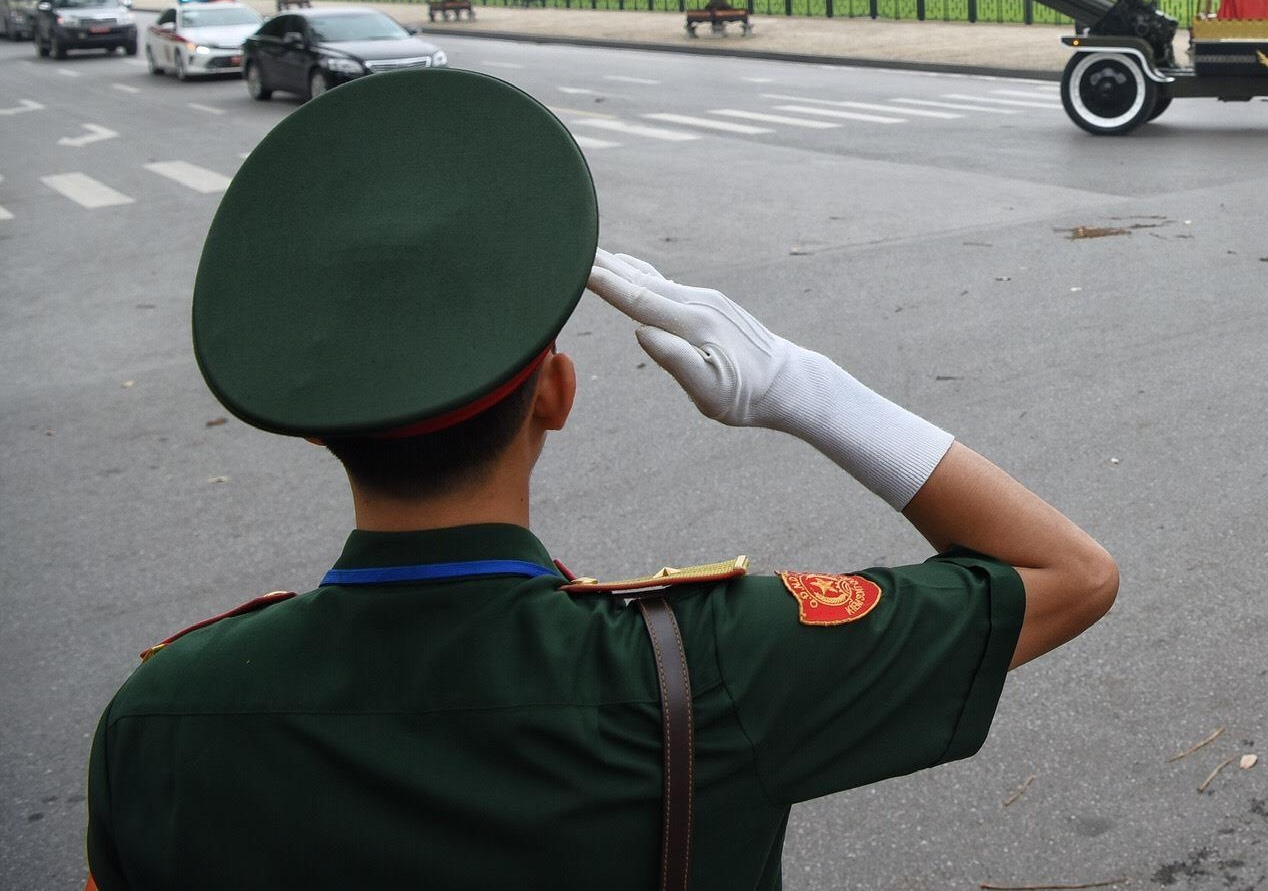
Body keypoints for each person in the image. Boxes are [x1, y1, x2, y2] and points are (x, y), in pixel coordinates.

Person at [84, 69, 1116, 890]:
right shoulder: (713, 667)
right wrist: (806, 389)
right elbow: (1068, 571)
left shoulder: (162, 714)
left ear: (322, 430)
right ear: (556, 394)